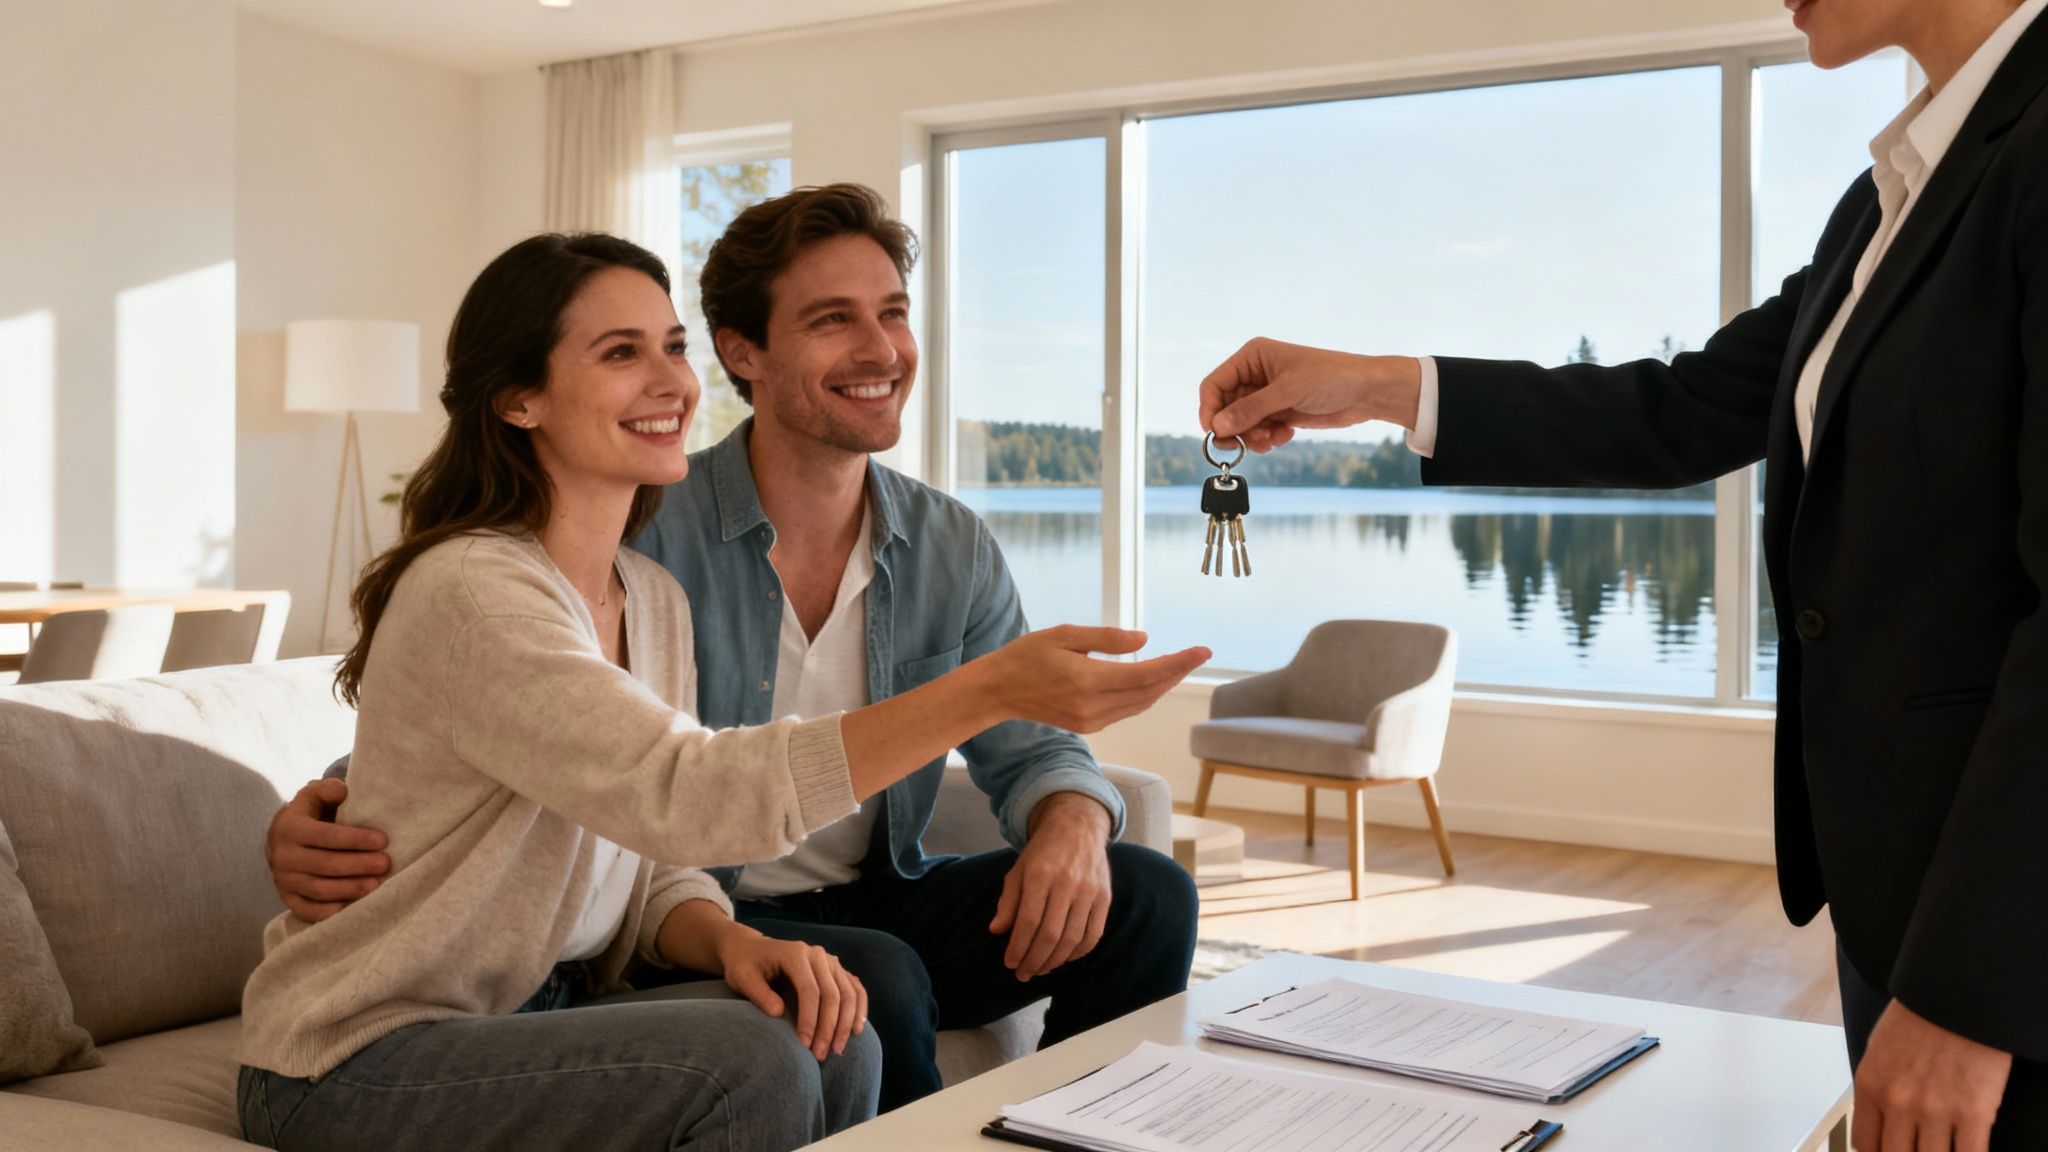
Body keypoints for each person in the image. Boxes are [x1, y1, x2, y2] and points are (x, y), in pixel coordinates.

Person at [1197, 1, 2048, 1147]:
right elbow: (1678, 411)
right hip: (1900, 882)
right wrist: (1383, 385)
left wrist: (1969, 989)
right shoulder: (1886, 196)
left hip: (2003, 929)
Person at [235, 231, 1207, 1152]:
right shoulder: (487, 582)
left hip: (597, 977)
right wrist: (985, 689)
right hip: (362, 1043)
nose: (669, 381)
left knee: (866, 1016)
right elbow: (660, 785)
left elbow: (631, 836)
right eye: (621, 352)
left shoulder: (647, 594)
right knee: (785, 1040)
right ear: (519, 399)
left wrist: (726, 943)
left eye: (668, 346)